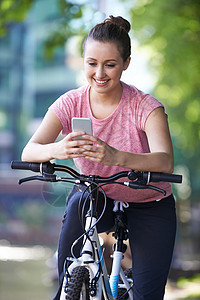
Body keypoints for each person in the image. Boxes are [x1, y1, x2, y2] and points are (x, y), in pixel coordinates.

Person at [22, 15, 176, 300]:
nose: (100, 73)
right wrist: (58, 150)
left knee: (148, 294)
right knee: (68, 271)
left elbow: (165, 161)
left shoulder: (146, 106)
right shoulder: (70, 103)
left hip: (149, 201)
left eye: (110, 64)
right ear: (83, 60)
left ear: (126, 63)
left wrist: (115, 156)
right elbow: (30, 150)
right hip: (96, 196)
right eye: (92, 63)